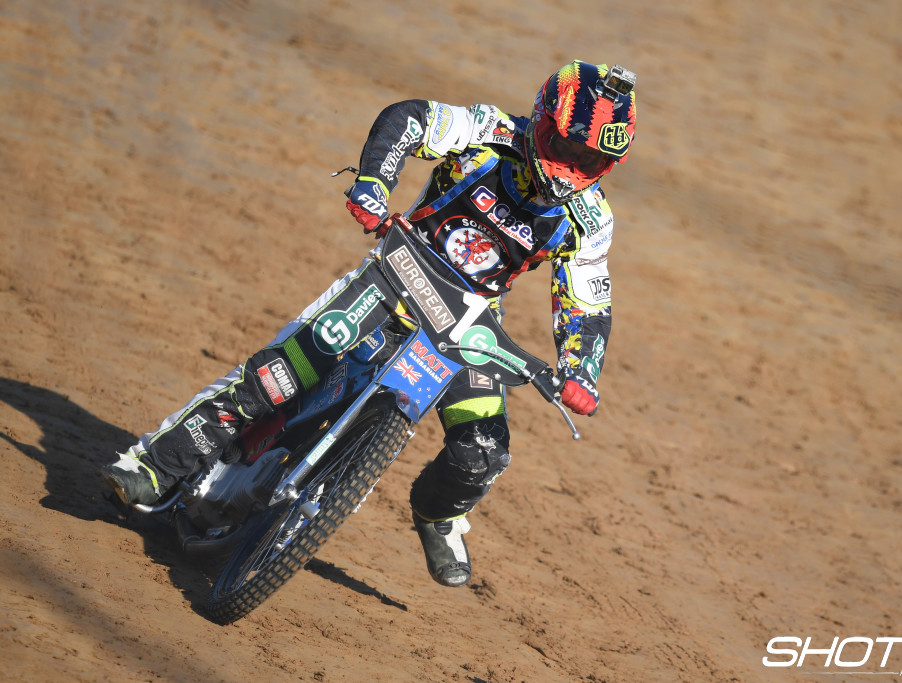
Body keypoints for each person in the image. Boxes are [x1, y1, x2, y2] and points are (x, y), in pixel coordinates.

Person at [102, 60, 637, 588]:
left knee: (483, 451)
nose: (571, 166)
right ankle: (155, 465)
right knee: (276, 378)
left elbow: (588, 302)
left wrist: (581, 370)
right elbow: (411, 120)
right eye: (565, 147)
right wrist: (373, 184)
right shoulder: (489, 131)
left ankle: (439, 516)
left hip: (471, 323)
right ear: (541, 120)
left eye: (590, 159)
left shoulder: (592, 221)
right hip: (396, 275)